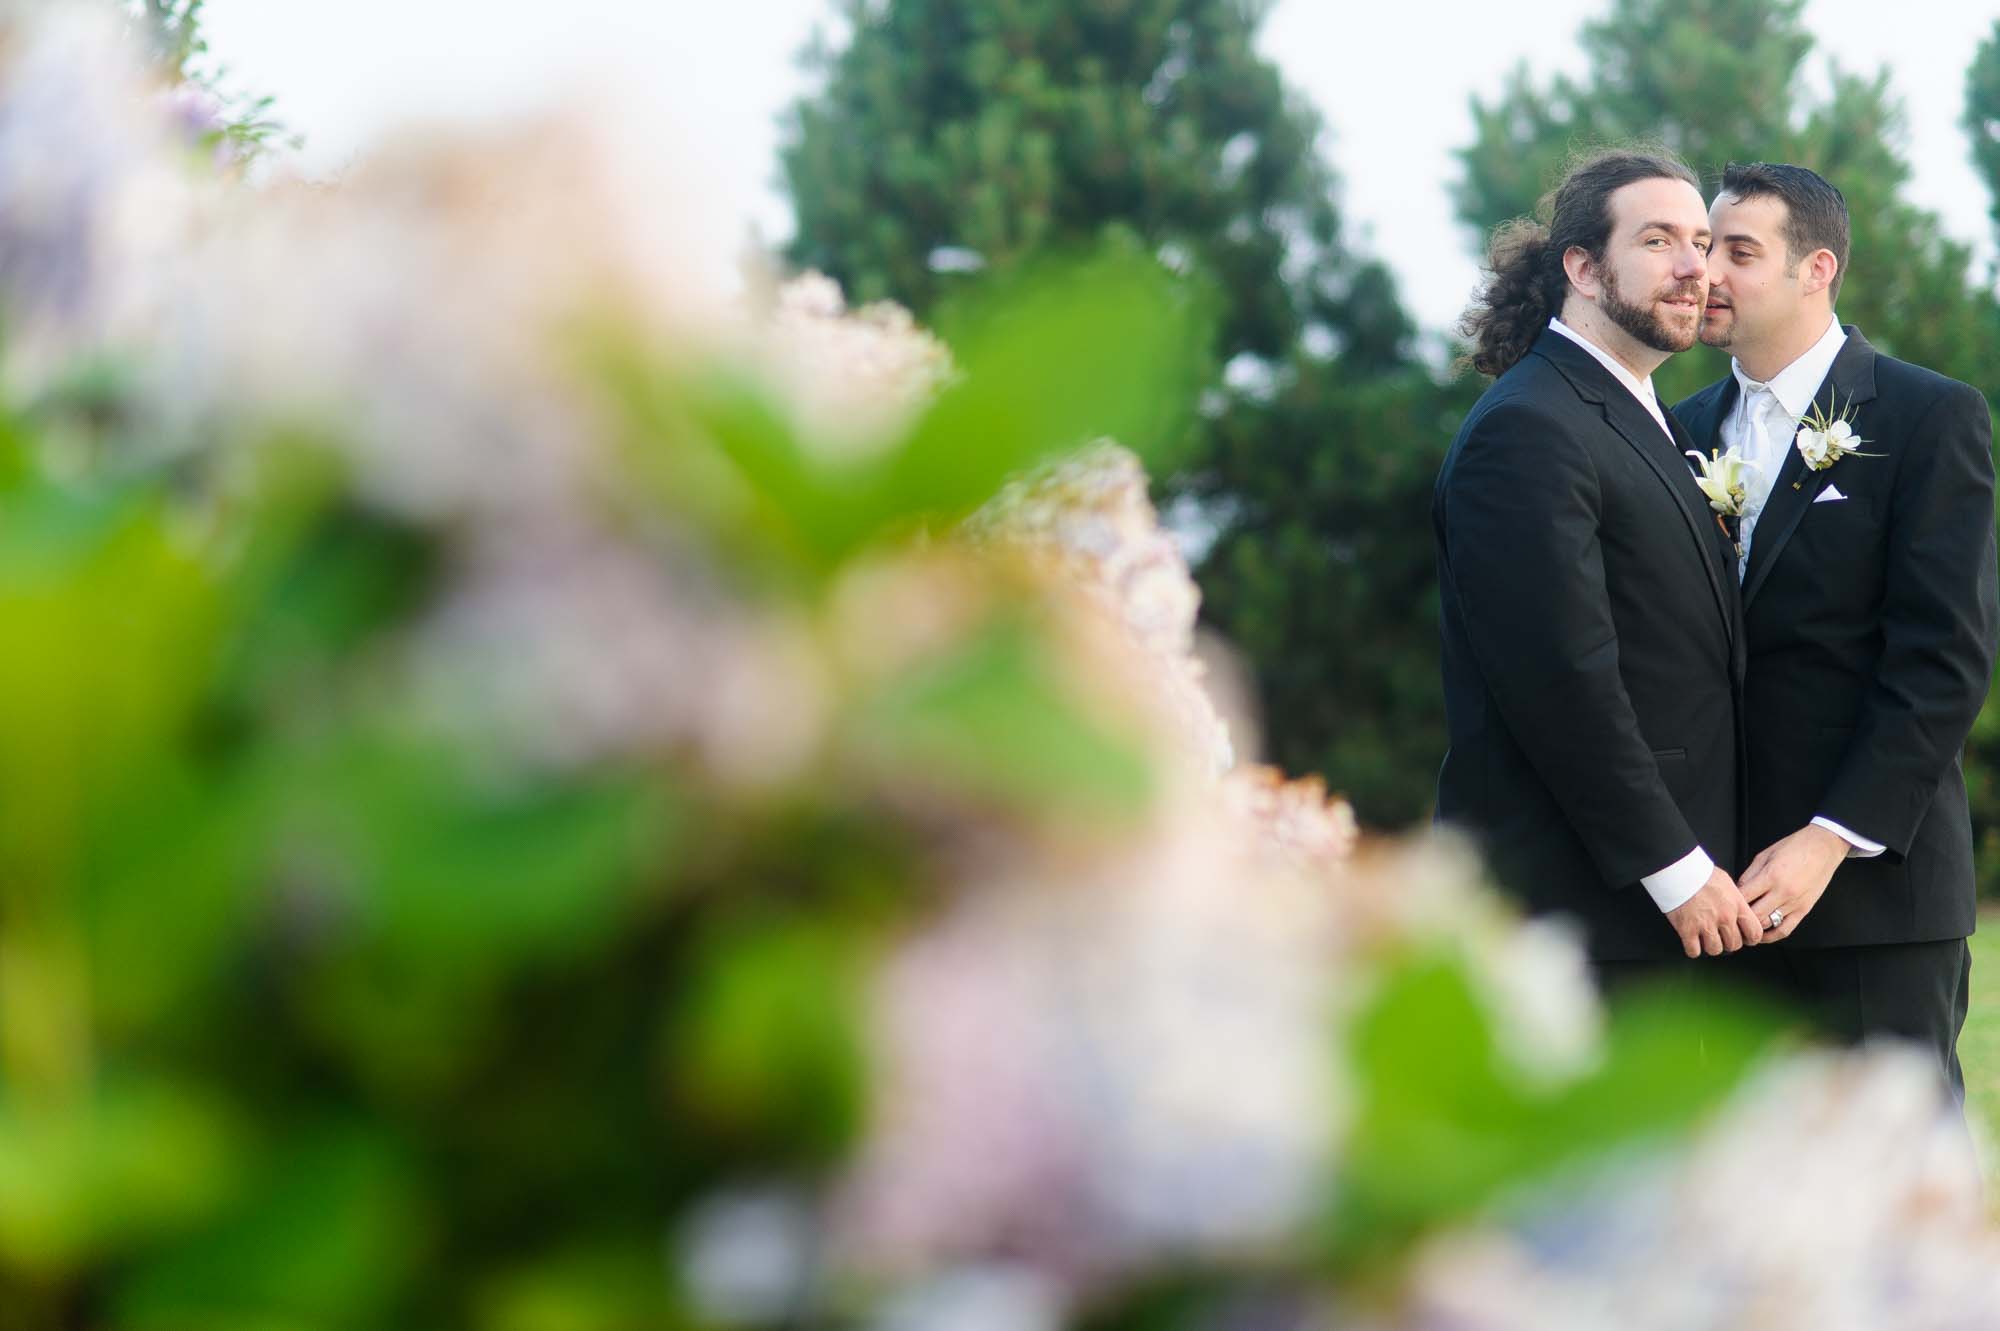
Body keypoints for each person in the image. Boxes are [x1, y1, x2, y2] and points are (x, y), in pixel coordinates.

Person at [1673, 163, 1999, 1098]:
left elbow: (1943, 662)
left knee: (1896, 1174)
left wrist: (1827, 840)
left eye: (1739, 252)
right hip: (1719, 903)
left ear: (1817, 269)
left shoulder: (1928, 416)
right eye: (1706, 248)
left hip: (1875, 902)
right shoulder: (1676, 428)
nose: (1708, 273)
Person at [1435, 148, 1762, 992]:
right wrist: (1675, 868)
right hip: (1578, 913)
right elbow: (1561, 680)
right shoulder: (1529, 429)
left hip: (1659, 907)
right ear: (1581, 268)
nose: (1694, 267)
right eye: (1658, 241)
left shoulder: (1645, 416)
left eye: (1701, 242)